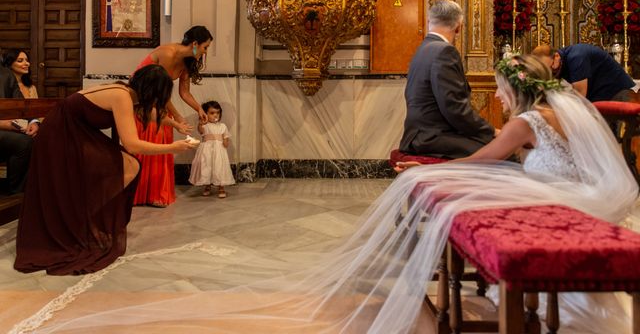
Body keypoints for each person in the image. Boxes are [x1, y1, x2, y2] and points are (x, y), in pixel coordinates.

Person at [19, 55, 637, 333]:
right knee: (117, 171)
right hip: (66, 138)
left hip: (559, 200)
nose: (497, 98)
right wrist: (179, 148)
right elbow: (131, 146)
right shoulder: (550, 117)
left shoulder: (528, 122)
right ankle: (81, 229)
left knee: (438, 184)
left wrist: (442, 169)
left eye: (502, 90)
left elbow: (490, 154)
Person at [13, 64, 196, 275]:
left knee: (131, 165)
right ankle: (84, 218)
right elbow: (133, 145)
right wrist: (173, 148)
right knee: (128, 164)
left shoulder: (128, 94)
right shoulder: (121, 96)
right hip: (60, 133)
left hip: (78, 131)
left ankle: (88, 217)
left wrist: (175, 125)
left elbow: (147, 114)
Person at [399, 0, 495, 159]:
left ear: (429, 21)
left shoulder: (423, 48)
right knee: (504, 154)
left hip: (419, 133)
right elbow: (454, 108)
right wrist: (490, 132)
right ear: (459, 26)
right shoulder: (445, 52)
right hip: (432, 136)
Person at [133, 25, 213, 207]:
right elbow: (160, 90)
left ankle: (155, 194)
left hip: (159, 101)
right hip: (143, 101)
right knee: (154, 139)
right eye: (205, 47)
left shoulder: (187, 62)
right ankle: (141, 193)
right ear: (194, 43)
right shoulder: (169, 54)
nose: (205, 52)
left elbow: (184, 92)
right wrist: (177, 117)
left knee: (162, 140)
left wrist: (198, 109)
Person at [532, 43, 636, 102]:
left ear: (556, 56)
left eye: (551, 67)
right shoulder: (559, 61)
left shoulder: (576, 57)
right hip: (600, 97)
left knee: (616, 138)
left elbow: (580, 95)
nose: (550, 73)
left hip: (617, 93)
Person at [188, 100, 234, 198]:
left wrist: (226, 141)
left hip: (219, 150)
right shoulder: (205, 126)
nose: (215, 115)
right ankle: (207, 185)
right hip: (206, 150)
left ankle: (221, 187)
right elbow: (200, 131)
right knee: (207, 166)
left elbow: (225, 136)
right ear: (205, 114)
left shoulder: (222, 126)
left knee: (219, 166)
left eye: (217, 113)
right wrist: (200, 123)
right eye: (212, 113)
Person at [0, 64, 34, 195]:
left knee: (34, 137)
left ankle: (20, 194)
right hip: (3, 128)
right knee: (22, 142)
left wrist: (33, 122)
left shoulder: (6, 74)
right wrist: (4, 124)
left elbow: (21, 104)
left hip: (7, 130)